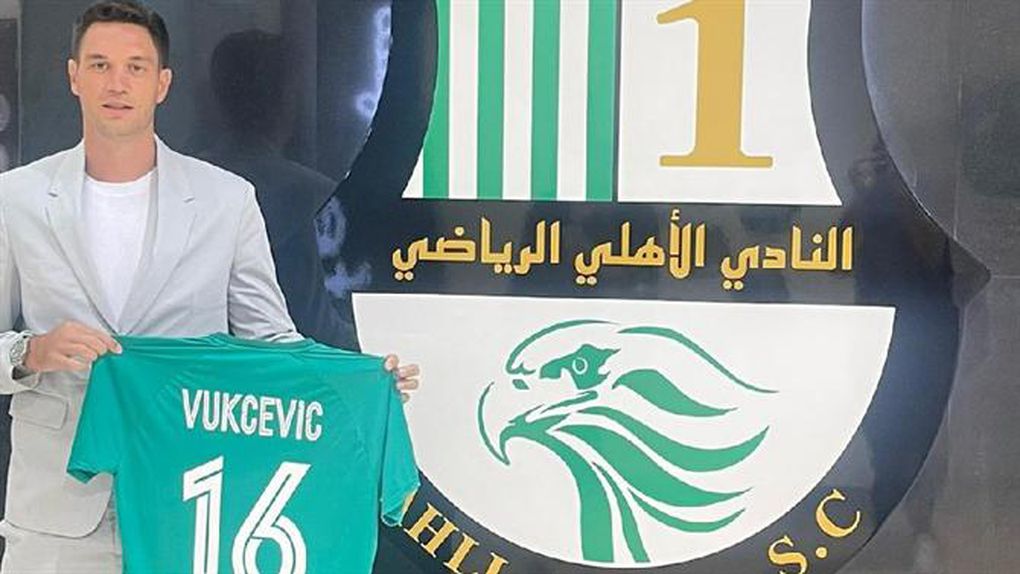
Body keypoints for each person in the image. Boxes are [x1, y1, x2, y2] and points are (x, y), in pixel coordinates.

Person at [0, 1, 418, 571]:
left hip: (190, 503)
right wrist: (30, 352)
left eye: (135, 67)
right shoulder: (16, 198)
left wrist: (357, 381)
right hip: (58, 511)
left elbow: (272, 341)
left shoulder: (226, 199)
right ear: (74, 76)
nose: (117, 83)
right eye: (99, 65)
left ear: (162, 83)